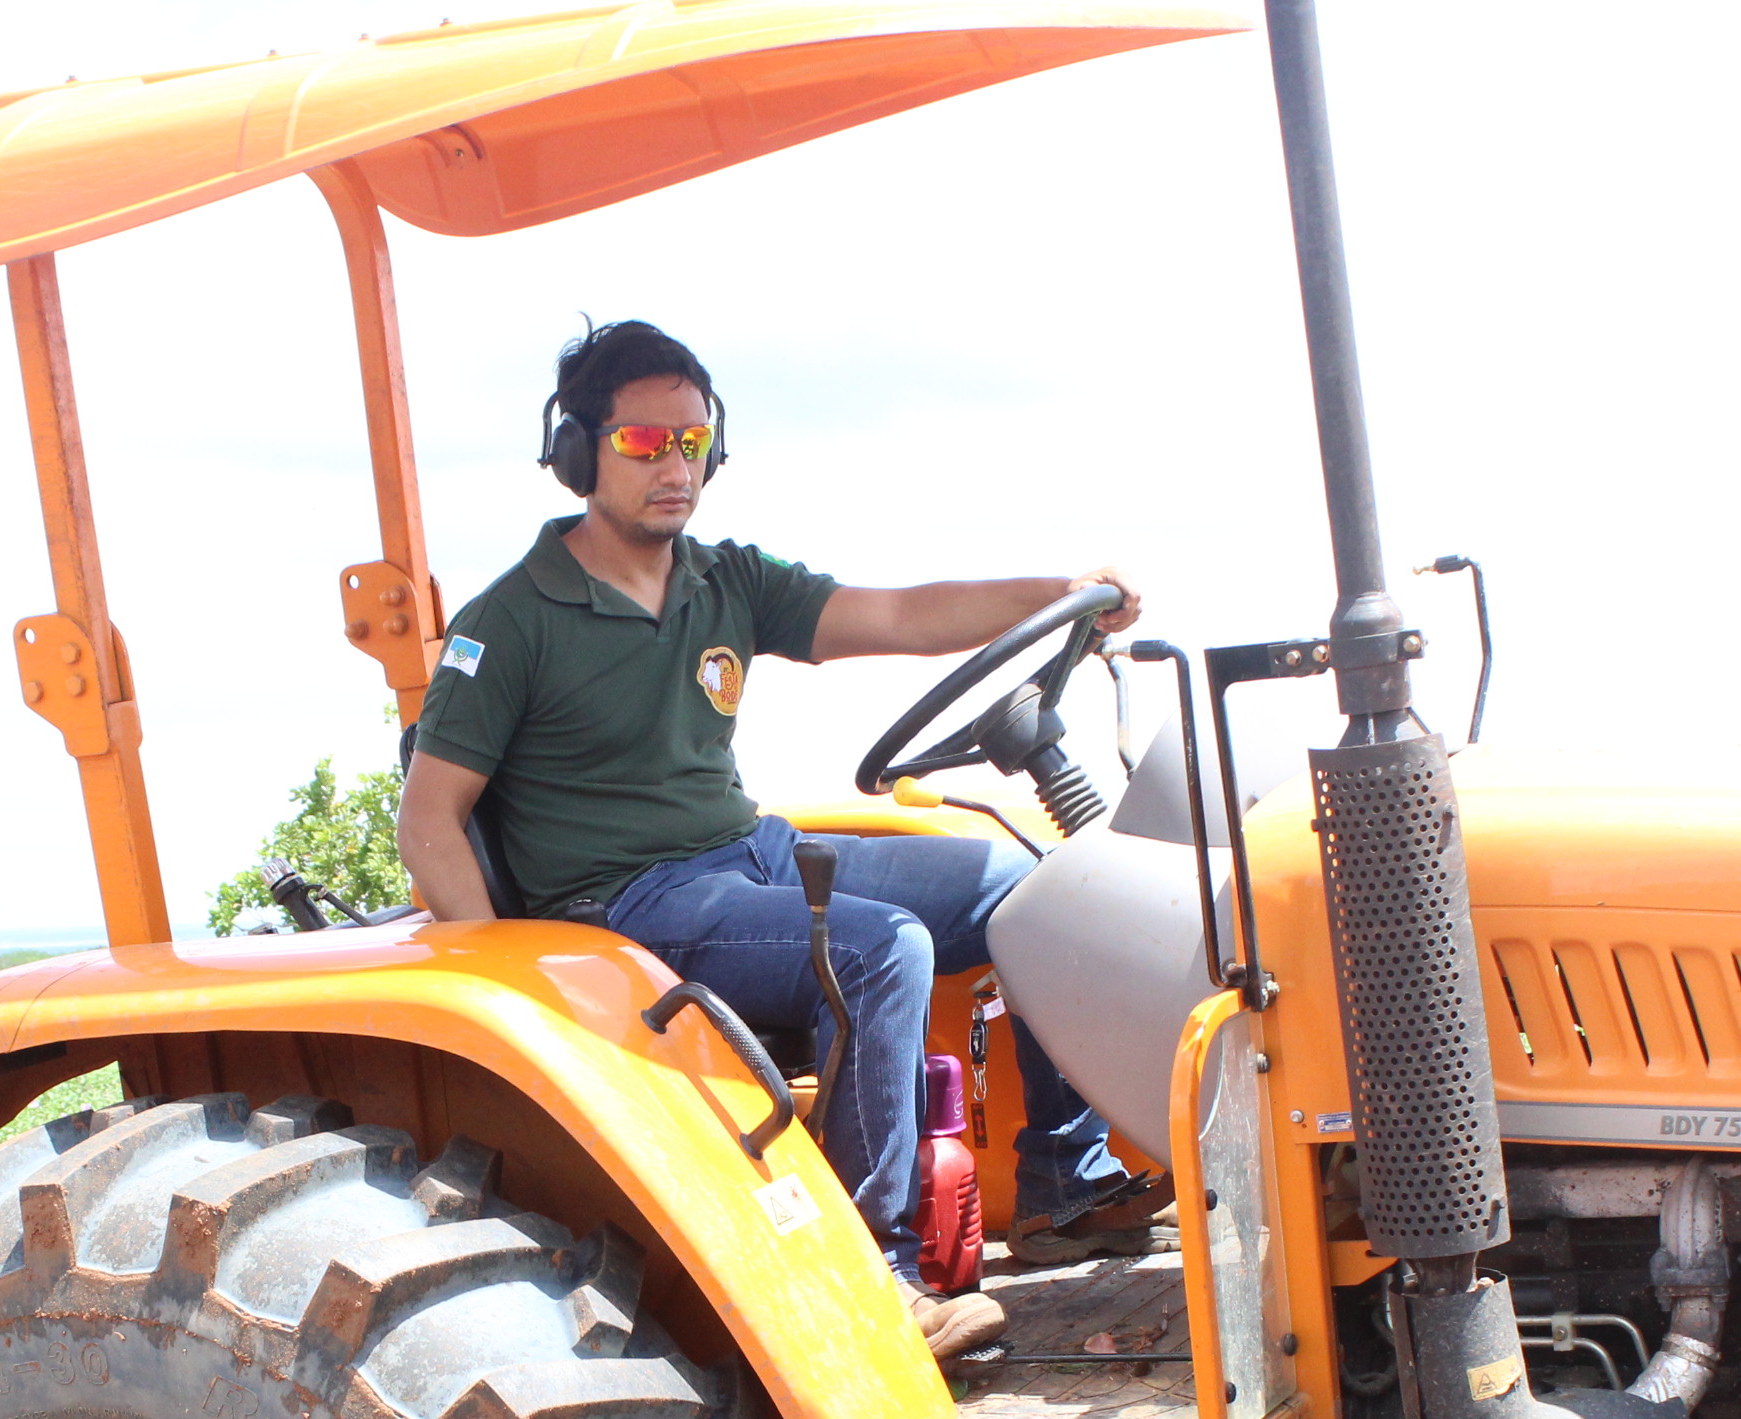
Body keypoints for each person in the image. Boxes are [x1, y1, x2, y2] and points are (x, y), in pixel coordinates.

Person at [398, 319, 1170, 1361]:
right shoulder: (517, 618)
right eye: (642, 444)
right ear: (581, 455)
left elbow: (899, 614)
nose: (676, 466)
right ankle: (874, 1278)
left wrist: (1057, 597)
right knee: (878, 945)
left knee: (1036, 881)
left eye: (695, 443)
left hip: (746, 853)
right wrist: (509, 1001)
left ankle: (1062, 1184)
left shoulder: (726, 582)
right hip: (624, 907)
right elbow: (429, 818)